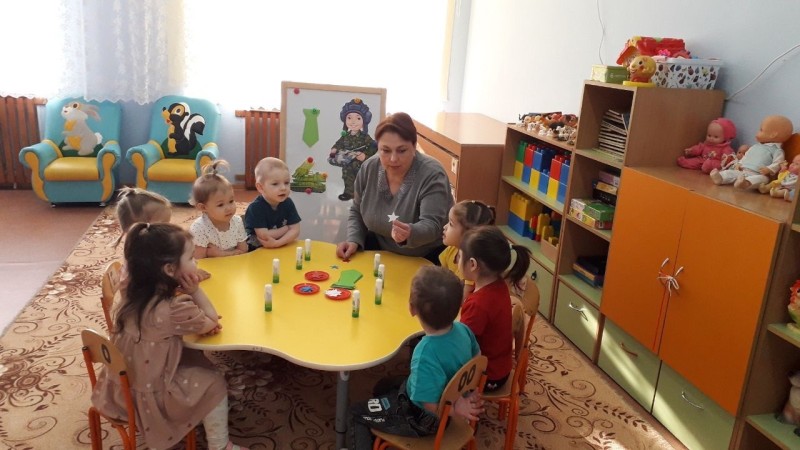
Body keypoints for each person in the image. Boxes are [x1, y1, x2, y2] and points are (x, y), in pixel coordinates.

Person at [90, 223, 249, 450]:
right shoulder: (175, 308)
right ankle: (220, 446)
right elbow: (212, 320)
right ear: (169, 269)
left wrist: (195, 319)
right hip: (152, 396)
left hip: (121, 388)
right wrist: (195, 291)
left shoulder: (132, 293)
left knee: (194, 357)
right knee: (214, 382)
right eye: (191, 258)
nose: (196, 262)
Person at [349, 266, 483, 449]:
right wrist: (464, 393)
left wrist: (454, 409)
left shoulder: (424, 354)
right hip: (448, 399)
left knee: (354, 414)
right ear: (459, 305)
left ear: (411, 308)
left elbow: (429, 405)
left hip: (424, 419)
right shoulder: (464, 329)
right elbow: (478, 359)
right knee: (383, 385)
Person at [336, 112, 453, 264]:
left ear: (414, 146)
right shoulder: (369, 168)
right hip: (380, 253)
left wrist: (410, 233)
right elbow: (357, 210)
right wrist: (353, 239)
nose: (393, 159)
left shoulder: (432, 174)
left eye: (402, 150)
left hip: (426, 258)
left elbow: (432, 225)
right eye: (385, 150)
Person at [458, 225, 532, 392]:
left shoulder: (478, 305)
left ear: (472, 264)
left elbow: (461, 345)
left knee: (435, 366)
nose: (457, 261)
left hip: (487, 377)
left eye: (459, 256)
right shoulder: (498, 284)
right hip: (500, 367)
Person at [114, 187, 212, 281]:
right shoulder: (140, 255)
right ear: (141, 229)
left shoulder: (151, 244)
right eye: (163, 224)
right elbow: (157, 279)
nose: (168, 229)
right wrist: (188, 277)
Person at [189, 160, 248, 258]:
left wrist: (222, 254)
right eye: (220, 205)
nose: (229, 208)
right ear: (203, 207)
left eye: (231, 201)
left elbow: (244, 251)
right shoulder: (199, 228)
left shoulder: (237, 221)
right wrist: (230, 254)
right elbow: (199, 261)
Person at [440, 200, 496, 296]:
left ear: (467, 234)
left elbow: (464, 299)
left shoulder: (470, 265)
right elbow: (440, 279)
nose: (445, 227)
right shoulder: (451, 249)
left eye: (451, 224)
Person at [244, 157, 301, 249]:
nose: (283, 188)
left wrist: (277, 243)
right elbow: (264, 236)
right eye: (275, 184)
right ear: (260, 187)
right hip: (257, 250)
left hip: (280, 245)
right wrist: (287, 228)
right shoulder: (255, 207)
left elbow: (296, 231)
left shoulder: (288, 202)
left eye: (286, 182)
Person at [328, 98, 377, 201]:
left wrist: (364, 156)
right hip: (347, 162)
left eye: (358, 118)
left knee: (361, 178)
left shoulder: (365, 137)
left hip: (360, 164)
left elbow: (373, 148)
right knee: (347, 174)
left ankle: (362, 194)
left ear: (364, 121)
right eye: (349, 118)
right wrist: (334, 149)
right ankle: (349, 192)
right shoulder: (345, 136)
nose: (353, 122)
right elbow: (338, 144)